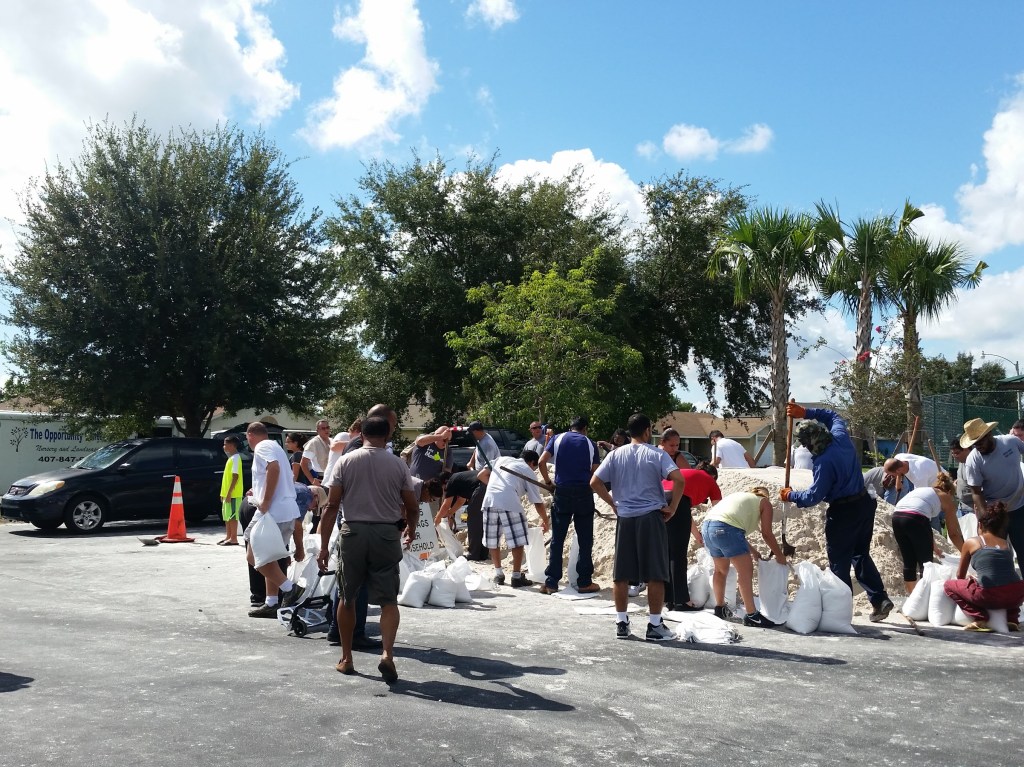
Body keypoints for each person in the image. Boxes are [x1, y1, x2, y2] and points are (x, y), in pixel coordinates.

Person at [317, 415, 420, 683]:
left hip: (353, 532)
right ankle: (387, 654)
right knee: (388, 600)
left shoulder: (346, 461)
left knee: (348, 596)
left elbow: (331, 506)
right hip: (386, 534)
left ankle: (347, 658)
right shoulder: (398, 464)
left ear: (361, 434)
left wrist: (324, 546)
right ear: (387, 436)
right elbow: (411, 505)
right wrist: (410, 528)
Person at [780, 404, 896, 622]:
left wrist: (790, 495)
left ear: (813, 441)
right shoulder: (841, 437)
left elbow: (813, 497)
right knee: (860, 554)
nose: (806, 447)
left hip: (843, 512)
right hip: (864, 503)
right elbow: (832, 414)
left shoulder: (824, 463)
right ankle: (879, 599)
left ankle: (840, 613)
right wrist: (804, 412)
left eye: (805, 443)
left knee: (839, 563)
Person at [590, 412, 684, 641]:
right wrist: (672, 508)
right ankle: (654, 625)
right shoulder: (655, 454)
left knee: (621, 574)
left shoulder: (615, 454)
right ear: (647, 432)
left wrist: (613, 503)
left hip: (626, 517)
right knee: (655, 574)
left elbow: (594, 482)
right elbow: (679, 480)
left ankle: (622, 623)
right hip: (650, 517)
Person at [702, 488, 786, 627]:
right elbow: (766, 533)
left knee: (720, 571)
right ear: (765, 495)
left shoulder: (740, 498)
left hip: (708, 527)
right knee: (745, 572)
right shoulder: (764, 502)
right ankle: (752, 615)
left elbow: (734, 530)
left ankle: (720, 608)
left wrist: (753, 551)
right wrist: (779, 555)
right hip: (726, 528)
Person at [244, 422, 304, 618]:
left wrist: (266, 500)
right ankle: (272, 602)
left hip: (272, 512)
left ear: (250, 435)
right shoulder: (276, 447)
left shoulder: (262, 446)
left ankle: (289, 589)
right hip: (287, 511)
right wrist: (259, 491)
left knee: (254, 557)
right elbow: (275, 473)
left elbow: (274, 468)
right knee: (270, 557)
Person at [539, 415, 601, 595]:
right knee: (585, 539)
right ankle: (584, 582)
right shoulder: (590, 443)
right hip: (583, 493)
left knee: (557, 539)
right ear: (585, 429)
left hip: (562, 492)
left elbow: (542, 461)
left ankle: (551, 582)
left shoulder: (557, 439)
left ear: (570, 427)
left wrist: (548, 481)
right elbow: (595, 472)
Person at [944, 501, 1024, 632]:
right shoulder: (1006, 544)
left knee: (949, 585)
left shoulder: (971, 542)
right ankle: (1011, 619)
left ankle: (980, 618)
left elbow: (960, 575)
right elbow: (1003, 574)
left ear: (980, 524)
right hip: (1018, 593)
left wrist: (972, 582)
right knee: (1009, 586)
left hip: (989, 595)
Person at [477, 450, 550, 587]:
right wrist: (545, 520)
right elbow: (537, 502)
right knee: (517, 540)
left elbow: (481, 475)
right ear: (531, 463)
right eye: (534, 467)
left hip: (489, 501)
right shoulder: (528, 471)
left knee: (493, 540)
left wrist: (496, 487)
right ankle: (516, 577)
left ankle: (498, 574)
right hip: (510, 502)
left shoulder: (501, 460)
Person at [961, 418, 1024, 570]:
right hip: (996, 513)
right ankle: (1003, 588)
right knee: (998, 554)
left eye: (980, 441)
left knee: (1022, 550)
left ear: (989, 434)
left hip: (1019, 508)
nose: (978, 446)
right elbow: (976, 492)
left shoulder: (1010, 442)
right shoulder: (973, 460)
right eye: (974, 443)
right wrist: (986, 517)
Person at [657, 429, 709, 610]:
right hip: (668, 502)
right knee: (674, 554)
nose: (674, 448)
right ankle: (678, 599)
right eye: (671, 445)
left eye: (677, 445)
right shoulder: (656, 455)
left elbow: (687, 478)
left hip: (663, 501)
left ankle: (670, 597)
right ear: (662, 442)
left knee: (669, 553)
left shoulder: (677, 457)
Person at [891, 474, 964, 593]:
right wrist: (965, 553)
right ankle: (924, 598)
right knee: (926, 563)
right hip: (915, 518)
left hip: (897, 517)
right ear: (949, 491)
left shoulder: (923, 491)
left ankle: (913, 598)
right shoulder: (946, 497)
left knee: (909, 561)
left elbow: (925, 527)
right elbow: (953, 534)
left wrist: (934, 547)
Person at [666, 462, 721, 610]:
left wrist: (698, 535)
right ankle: (681, 601)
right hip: (677, 501)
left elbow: (685, 517)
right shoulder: (710, 479)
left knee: (666, 552)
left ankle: (668, 598)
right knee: (678, 555)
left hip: (656, 499)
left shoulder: (685, 474)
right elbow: (721, 511)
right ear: (713, 476)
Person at [434, 468, 487, 559]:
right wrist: (450, 513)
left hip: (480, 488)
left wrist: (437, 518)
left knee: (473, 521)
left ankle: (474, 554)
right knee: (481, 522)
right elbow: (461, 501)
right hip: (487, 485)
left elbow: (446, 504)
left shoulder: (450, 482)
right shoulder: (460, 480)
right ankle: (483, 553)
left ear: (444, 483)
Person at [218, 435, 243, 546]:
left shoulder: (236, 458)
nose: (224, 446)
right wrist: (223, 493)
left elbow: (235, 476)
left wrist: (229, 493)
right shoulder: (231, 458)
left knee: (232, 516)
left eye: (225, 444)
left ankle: (234, 538)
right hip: (227, 493)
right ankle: (228, 536)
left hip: (233, 493)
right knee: (227, 516)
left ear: (232, 445)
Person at [948, 437, 976, 517]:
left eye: (957, 453)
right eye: (952, 453)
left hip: (972, 510)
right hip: (962, 507)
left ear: (966, 448)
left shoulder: (973, 465)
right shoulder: (962, 461)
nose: (954, 456)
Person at [300, 419, 331, 486]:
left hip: (332, 477)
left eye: (327, 427)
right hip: (320, 478)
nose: (326, 430)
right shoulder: (313, 443)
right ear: (317, 431)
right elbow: (303, 463)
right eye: (323, 428)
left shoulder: (332, 441)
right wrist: (312, 480)